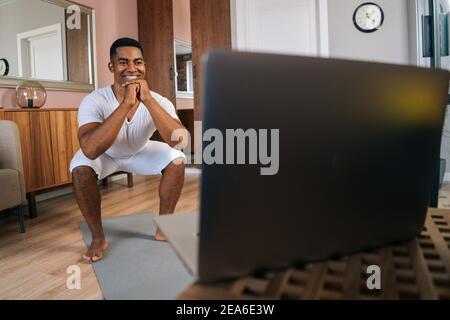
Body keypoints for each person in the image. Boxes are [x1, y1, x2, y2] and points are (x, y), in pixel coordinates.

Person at [70, 38, 187, 262]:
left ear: (145, 67)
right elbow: (91, 149)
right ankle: (97, 238)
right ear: (111, 67)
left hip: (141, 151)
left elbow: (180, 141)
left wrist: (149, 100)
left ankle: (164, 227)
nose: (132, 68)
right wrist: (126, 103)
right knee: (80, 170)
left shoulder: (159, 100)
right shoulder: (94, 100)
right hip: (105, 155)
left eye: (138, 62)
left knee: (178, 160)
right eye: (123, 62)